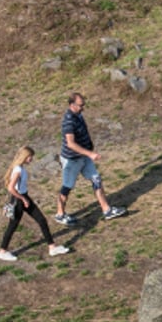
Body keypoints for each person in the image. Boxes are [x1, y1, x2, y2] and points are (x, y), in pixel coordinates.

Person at [54, 92, 126, 224]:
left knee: (96, 179)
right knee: (67, 187)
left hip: (83, 156)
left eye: (84, 105)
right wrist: (90, 154)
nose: (83, 108)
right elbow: (70, 143)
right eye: (80, 105)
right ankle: (60, 214)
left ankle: (107, 210)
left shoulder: (78, 115)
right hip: (73, 160)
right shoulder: (68, 120)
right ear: (72, 104)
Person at [0, 146, 70, 261]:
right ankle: (2, 251)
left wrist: (25, 198)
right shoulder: (18, 170)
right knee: (12, 226)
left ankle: (52, 247)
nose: (31, 159)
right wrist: (23, 199)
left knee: (41, 220)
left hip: (24, 197)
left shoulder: (20, 168)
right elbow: (11, 188)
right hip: (19, 200)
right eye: (30, 157)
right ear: (25, 157)